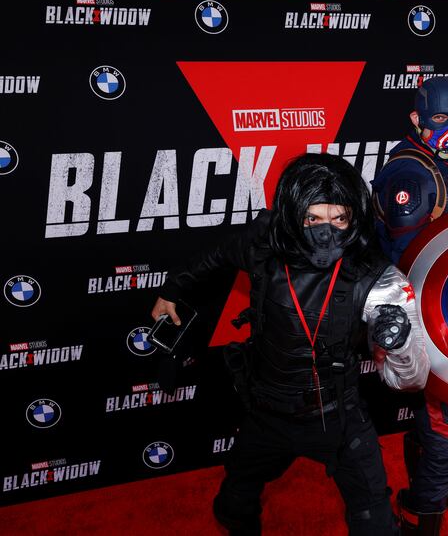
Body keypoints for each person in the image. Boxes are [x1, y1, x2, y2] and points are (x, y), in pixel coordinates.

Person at [151, 153, 430, 536]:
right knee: (235, 502)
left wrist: (398, 341)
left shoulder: (378, 280)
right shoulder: (264, 244)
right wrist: (172, 289)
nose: (325, 231)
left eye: (338, 219)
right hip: (268, 413)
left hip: (339, 418)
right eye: (312, 218)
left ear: (353, 218)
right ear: (293, 214)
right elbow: (214, 256)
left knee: (375, 523)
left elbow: (411, 380)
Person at [371, 76, 448, 535]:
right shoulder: (411, 173)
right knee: (446, 428)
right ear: (416, 119)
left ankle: (430, 488)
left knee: (437, 418)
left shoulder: (435, 162)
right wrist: (430, 331)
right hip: (423, 318)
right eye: (439, 118)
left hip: (442, 311)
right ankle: (421, 510)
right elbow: (407, 265)